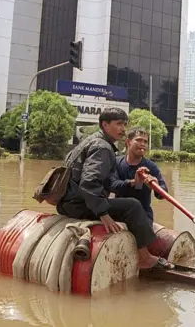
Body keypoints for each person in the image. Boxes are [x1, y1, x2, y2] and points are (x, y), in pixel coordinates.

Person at [56, 107, 174, 271]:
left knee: (135, 208)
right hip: (79, 203)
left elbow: (162, 193)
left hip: (74, 202)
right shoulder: (105, 149)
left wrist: (153, 185)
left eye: (124, 124)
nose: (123, 129)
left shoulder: (149, 166)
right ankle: (144, 258)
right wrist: (104, 214)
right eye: (119, 124)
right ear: (105, 125)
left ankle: (142, 247)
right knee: (132, 205)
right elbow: (90, 183)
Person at [112, 127, 168, 224]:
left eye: (145, 142)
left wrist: (156, 186)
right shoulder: (116, 162)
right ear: (128, 142)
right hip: (119, 212)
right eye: (138, 140)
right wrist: (133, 182)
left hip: (143, 213)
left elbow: (163, 193)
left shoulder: (151, 167)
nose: (143, 144)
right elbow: (112, 185)